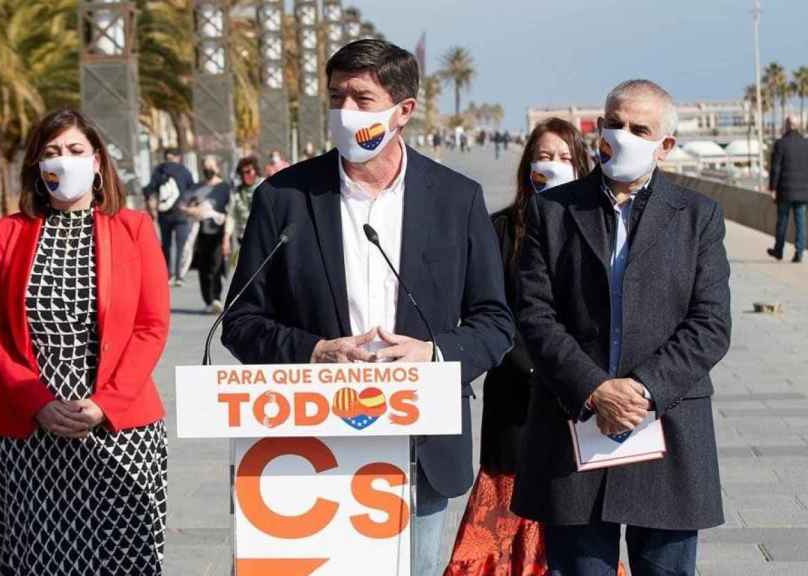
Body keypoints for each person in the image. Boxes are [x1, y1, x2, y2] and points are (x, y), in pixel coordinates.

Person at [221, 39, 514, 576]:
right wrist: (315, 350)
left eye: (361, 98)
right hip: (310, 448)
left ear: (402, 110)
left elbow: (495, 324)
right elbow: (240, 322)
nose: (344, 113)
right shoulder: (282, 198)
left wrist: (433, 353)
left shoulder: (457, 198)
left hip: (419, 449)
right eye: (336, 98)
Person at [512, 80, 731, 576]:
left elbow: (711, 323)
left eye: (639, 129)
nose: (620, 135)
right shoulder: (554, 211)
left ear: (665, 146)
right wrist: (594, 389)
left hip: (667, 429)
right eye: (613, 123)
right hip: (575, 428)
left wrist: (642, 389)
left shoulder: (698, 217)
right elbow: (534, 314)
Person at [0, 109, 171, 575]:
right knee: (38, 559)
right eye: (51, 153)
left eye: (75, 151)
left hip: (116, 428)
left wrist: (106, 403)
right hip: (30, 433)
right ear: (36, 166)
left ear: (98, 161)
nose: (64, 162)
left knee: (122, 559)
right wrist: (35, 400)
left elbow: (152, 325)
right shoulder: (10, 231)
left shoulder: (134, 227)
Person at [445, 117, 592, 576]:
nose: (554, 165)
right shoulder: (500, 228)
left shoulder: (595, 231)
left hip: (578, 399)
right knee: (506, 511)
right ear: (527, 164)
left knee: (573, 524)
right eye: (544, 156)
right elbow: (485, 312)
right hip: (514, 398)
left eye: (566, 158)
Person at [179, 155, 231, 313]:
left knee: (216, 266)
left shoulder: (224, 188)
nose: (208, 170)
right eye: (205, 167)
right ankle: (208, 300)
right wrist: (193, 211)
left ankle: (216, 298)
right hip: (199, 232)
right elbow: (182, 205)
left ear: (217, 168)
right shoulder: (196, 188)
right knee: (203, 267)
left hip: (218, 231)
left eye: (211, 166)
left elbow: (230, 212)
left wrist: (227, 236)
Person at [145, 147, 195, 285]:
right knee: (181, 245)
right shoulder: (185, 171)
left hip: (164, 213)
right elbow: (193, 190)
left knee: (166, 245)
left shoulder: (159, 170)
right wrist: (189, 206)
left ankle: (168, 274)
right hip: (182, 214)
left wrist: (151, 206)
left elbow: (149, 189)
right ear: (178, 157)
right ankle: (179, 276)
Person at [767, 114, 808, 263]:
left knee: (782, 221)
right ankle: (799, 252)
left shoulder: (781, 143)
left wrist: (772, 188)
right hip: (803, 192)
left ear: (786, 125)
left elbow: (775, 168)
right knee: (800, 223)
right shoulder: (806, 143)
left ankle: (778, 250)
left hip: (785, 191)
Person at [227, 155, 263, 259]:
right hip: (244, 237)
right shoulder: (236, 192)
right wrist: (226, 237)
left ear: (255, 171)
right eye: (242, 173)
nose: (245, 176)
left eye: (248, 171)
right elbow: (231, 215)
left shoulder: (265, 186)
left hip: (262, 237)